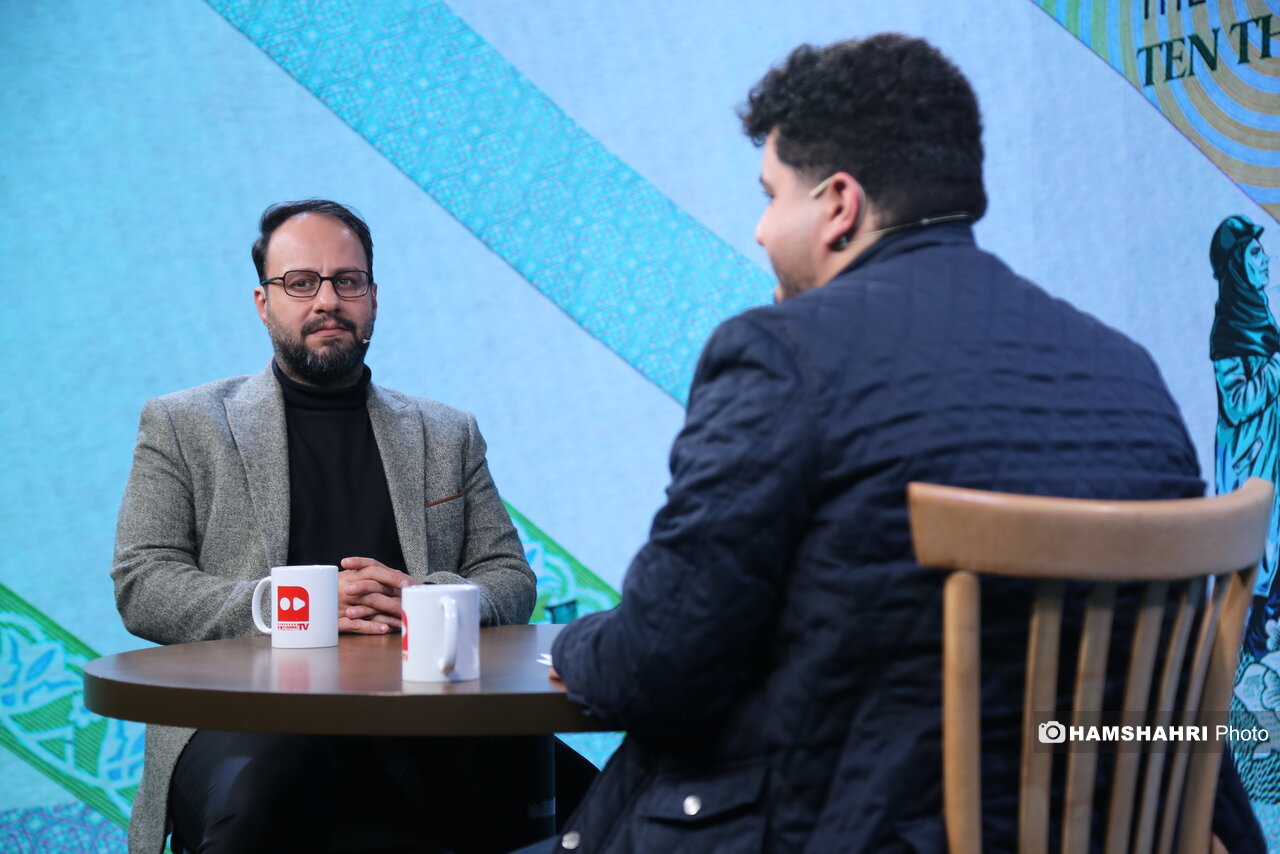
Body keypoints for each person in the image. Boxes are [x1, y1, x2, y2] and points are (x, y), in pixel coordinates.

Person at [534, 35, 1265, 852]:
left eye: (771, 196)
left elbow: (656, 668)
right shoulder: (1129, 373)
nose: (761, 230)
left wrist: (575, 639)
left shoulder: (782, 354)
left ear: (839, 205)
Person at [112, 199, 539, 854]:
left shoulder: (446, 432)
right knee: (268, 795)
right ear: (264, 303)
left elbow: (508, 576)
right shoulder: (183, 424)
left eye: (348, 281)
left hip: (427, 714)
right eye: (301, 282)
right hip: (245, 712)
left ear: (373, 297)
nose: (328, 301)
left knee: (606, 804)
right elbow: (143, 582)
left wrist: (431, 600)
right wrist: (288, 608)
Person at [1210, 215, 1280, 660]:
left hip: (1271, 459)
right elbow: (1236, 403)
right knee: (1252, 559)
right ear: (1237, 265)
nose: (1266, 259)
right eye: (1255, 252)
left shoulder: (1261, 316)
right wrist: (1277, 367)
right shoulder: (1230, 329)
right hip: (1248, 463)